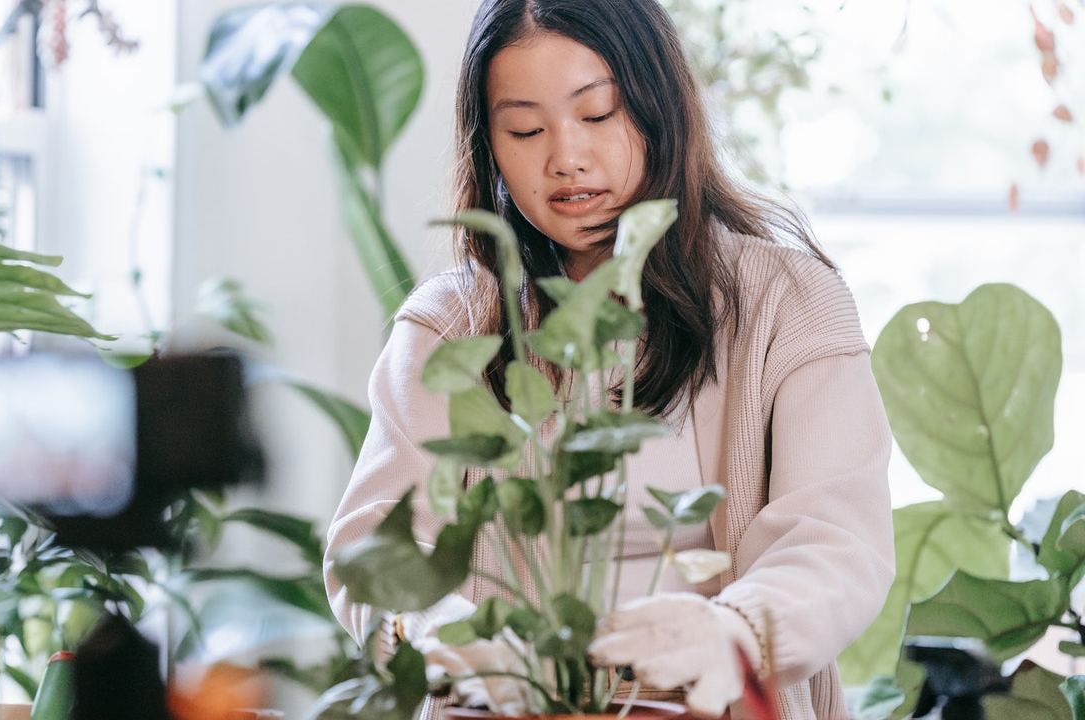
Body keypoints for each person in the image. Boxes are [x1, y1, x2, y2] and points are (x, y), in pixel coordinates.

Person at [322, 0, 895, 718]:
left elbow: (838, 541)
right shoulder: (450, 326)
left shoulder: (790, 302)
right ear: (488, 144)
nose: (566, 157)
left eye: (597, 115)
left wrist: (735, 630)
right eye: (526, 129)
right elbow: (376, 549)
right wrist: (439, 642)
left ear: (663, 109)